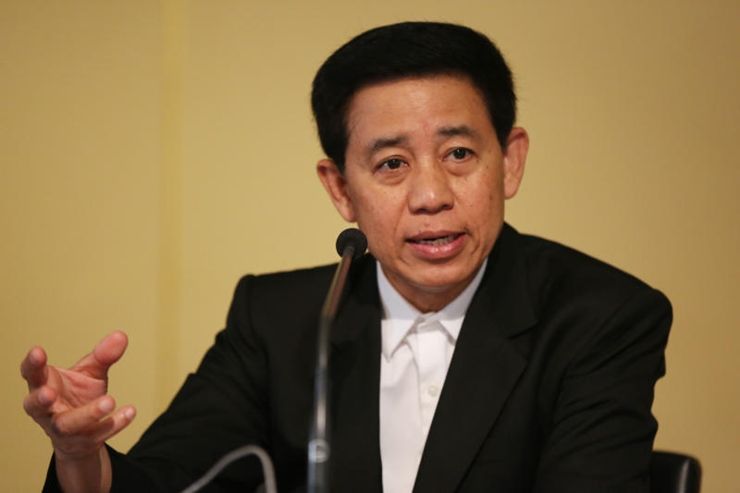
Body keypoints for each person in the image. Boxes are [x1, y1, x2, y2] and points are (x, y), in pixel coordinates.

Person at [21, 22, 671, 492]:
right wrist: (80, 455)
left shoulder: (601, 318)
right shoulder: (282, 320)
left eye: (459, 154)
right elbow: (172, 479)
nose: (431, 195)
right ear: (340, 190)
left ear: (511, 161)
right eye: (391, 164)